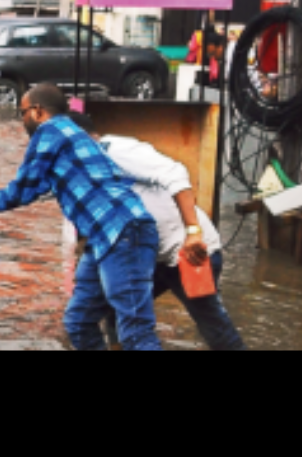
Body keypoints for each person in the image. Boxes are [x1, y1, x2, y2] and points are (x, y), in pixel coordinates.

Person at [0, 84, 163, 352]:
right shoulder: (71, 132)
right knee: (79, 322)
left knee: (136, 333)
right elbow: (40, 189)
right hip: (106, 236)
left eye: (22, 113)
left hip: (121, 231)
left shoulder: (50, 131)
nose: (21, 120)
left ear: (38, 111)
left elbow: (24, 187)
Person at [69, 113, 246, 351]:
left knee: (212, 324)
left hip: (185, 251)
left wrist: (193, 232)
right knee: (113, 313)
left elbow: (175, 173)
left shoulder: (115, 150)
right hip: (142, 256)